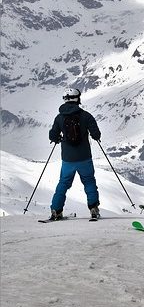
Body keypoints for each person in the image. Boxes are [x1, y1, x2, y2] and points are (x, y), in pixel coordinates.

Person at [48, 88, 102, 220]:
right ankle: (93, 208)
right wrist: (95, 136)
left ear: (65, 99)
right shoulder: (86, 115)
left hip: (68, 159)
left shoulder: (60, 117)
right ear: (77, 98)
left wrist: (58, 139)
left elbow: (52, 135)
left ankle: (56, 210)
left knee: (63, 183)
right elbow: (96, 134)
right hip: (84, 157)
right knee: (89, 182)